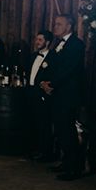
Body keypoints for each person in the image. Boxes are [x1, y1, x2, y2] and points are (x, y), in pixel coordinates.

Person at [40, 14, 85, 181]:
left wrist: (52, 83)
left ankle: (74, 168)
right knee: (60, 129)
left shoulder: (77, 44)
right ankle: (66, 162)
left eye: (59, 24)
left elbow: (69, 69)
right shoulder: (58, 44)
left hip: (68, 95)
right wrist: (45, 81)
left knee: (68, 130)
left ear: (68, 26)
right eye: (55, 23)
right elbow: (54, 66)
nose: (55, 27)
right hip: (58, 94)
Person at [26, 29, 54, 161]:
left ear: (47, 42)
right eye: (37, 39)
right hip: (31, 92)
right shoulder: (32, 56)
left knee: (43, 124)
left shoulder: (52, 57)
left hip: (43, 94)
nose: (37, 42)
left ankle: (45, 152)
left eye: (40, 40)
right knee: (32, 122)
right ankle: (34, 149)